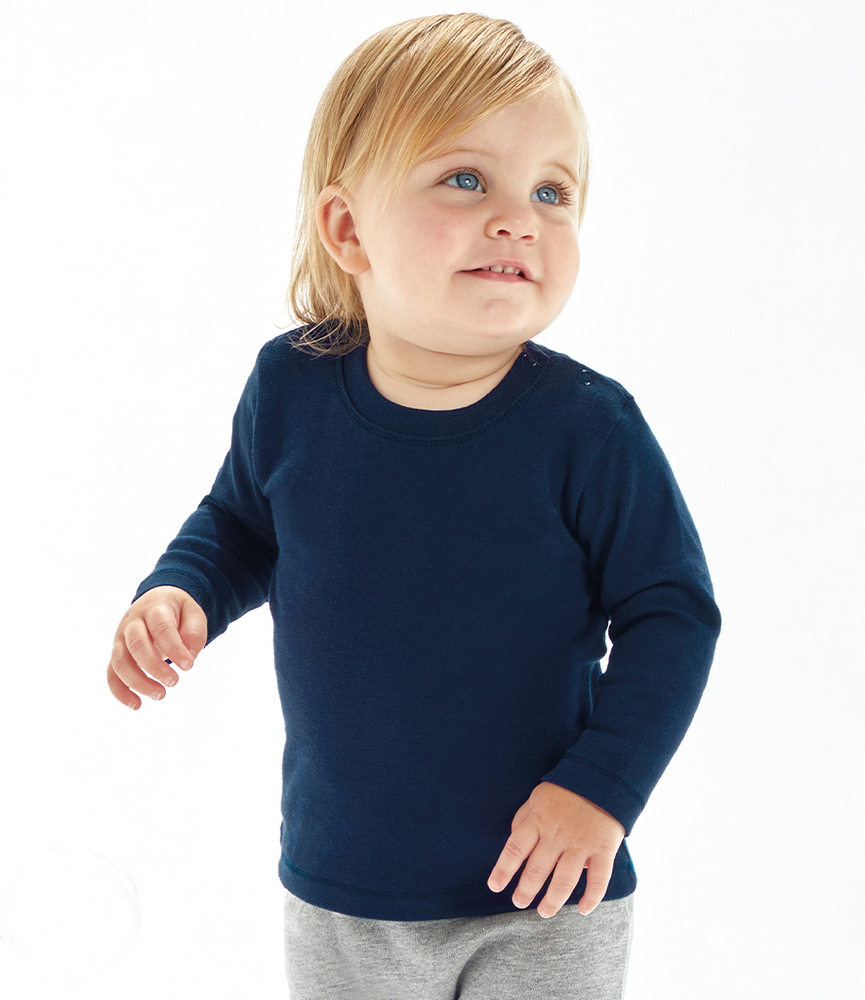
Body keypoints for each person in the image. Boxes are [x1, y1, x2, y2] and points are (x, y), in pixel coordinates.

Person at [106, 13, 721, 999]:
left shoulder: (588, 427)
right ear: (348, 229)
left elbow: (671, 614)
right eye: (466, 178)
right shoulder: (291, 388)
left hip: (545, 891)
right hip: (343, 891)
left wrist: (599, 793)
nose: (519, 218)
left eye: (552, 191)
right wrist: (180, 591)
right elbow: (242, 525)